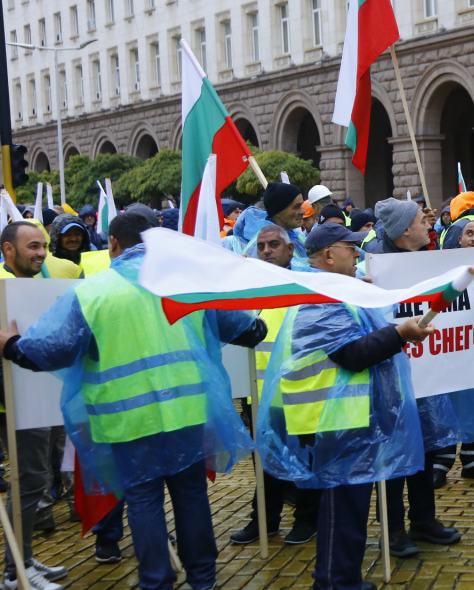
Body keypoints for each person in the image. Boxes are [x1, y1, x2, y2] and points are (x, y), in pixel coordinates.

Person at [0, 213, 267, 590]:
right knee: (191, 497)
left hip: (128, 420)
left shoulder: (93, 292)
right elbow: (251, 330)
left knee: (143, 500)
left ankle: (156, 582)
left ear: (112, 244)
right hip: (188, 413)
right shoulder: (184, 286)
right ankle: (203, 580)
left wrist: (10, 345)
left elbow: (51, 351)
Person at [257, 223, 433, 590]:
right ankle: (336, 582)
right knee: (343, 505)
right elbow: (352, 354)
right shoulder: (319, 299)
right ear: (328, 255)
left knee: (348, 505)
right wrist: (401, 333)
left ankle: (341, 577)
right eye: (349, 248)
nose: (357, 254)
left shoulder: (330, 292)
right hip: (332, 420)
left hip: (341, 417)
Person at [362, 201, 464, 559]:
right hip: (391, 378)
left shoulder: (429, 257)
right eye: (423, 221)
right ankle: (393, 531)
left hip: (426, 374)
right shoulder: (374, 266)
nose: (429, 225)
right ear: (405, 230)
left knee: (424, 447)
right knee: (393, 455)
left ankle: (424, 519)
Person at [230, 225, 321, 546]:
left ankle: (308, 519)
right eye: (261, 246)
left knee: (305, 461)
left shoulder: (305, 286)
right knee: (264, 462)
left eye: (273, 245)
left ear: (290, 250)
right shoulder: (248, 291)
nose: (267, 251)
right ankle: (264, 521)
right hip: (260, 396)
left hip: (299, 393)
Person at [0, 222, 68, 590]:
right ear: (9, 250)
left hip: (42, 393)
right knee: (28, 481)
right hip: (15, 401)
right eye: (33, 247)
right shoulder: (1, 288)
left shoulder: (39, 284)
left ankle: (21, 558)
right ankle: (15, 572)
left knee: (33, 480)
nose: (42, 253)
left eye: (43, 246)